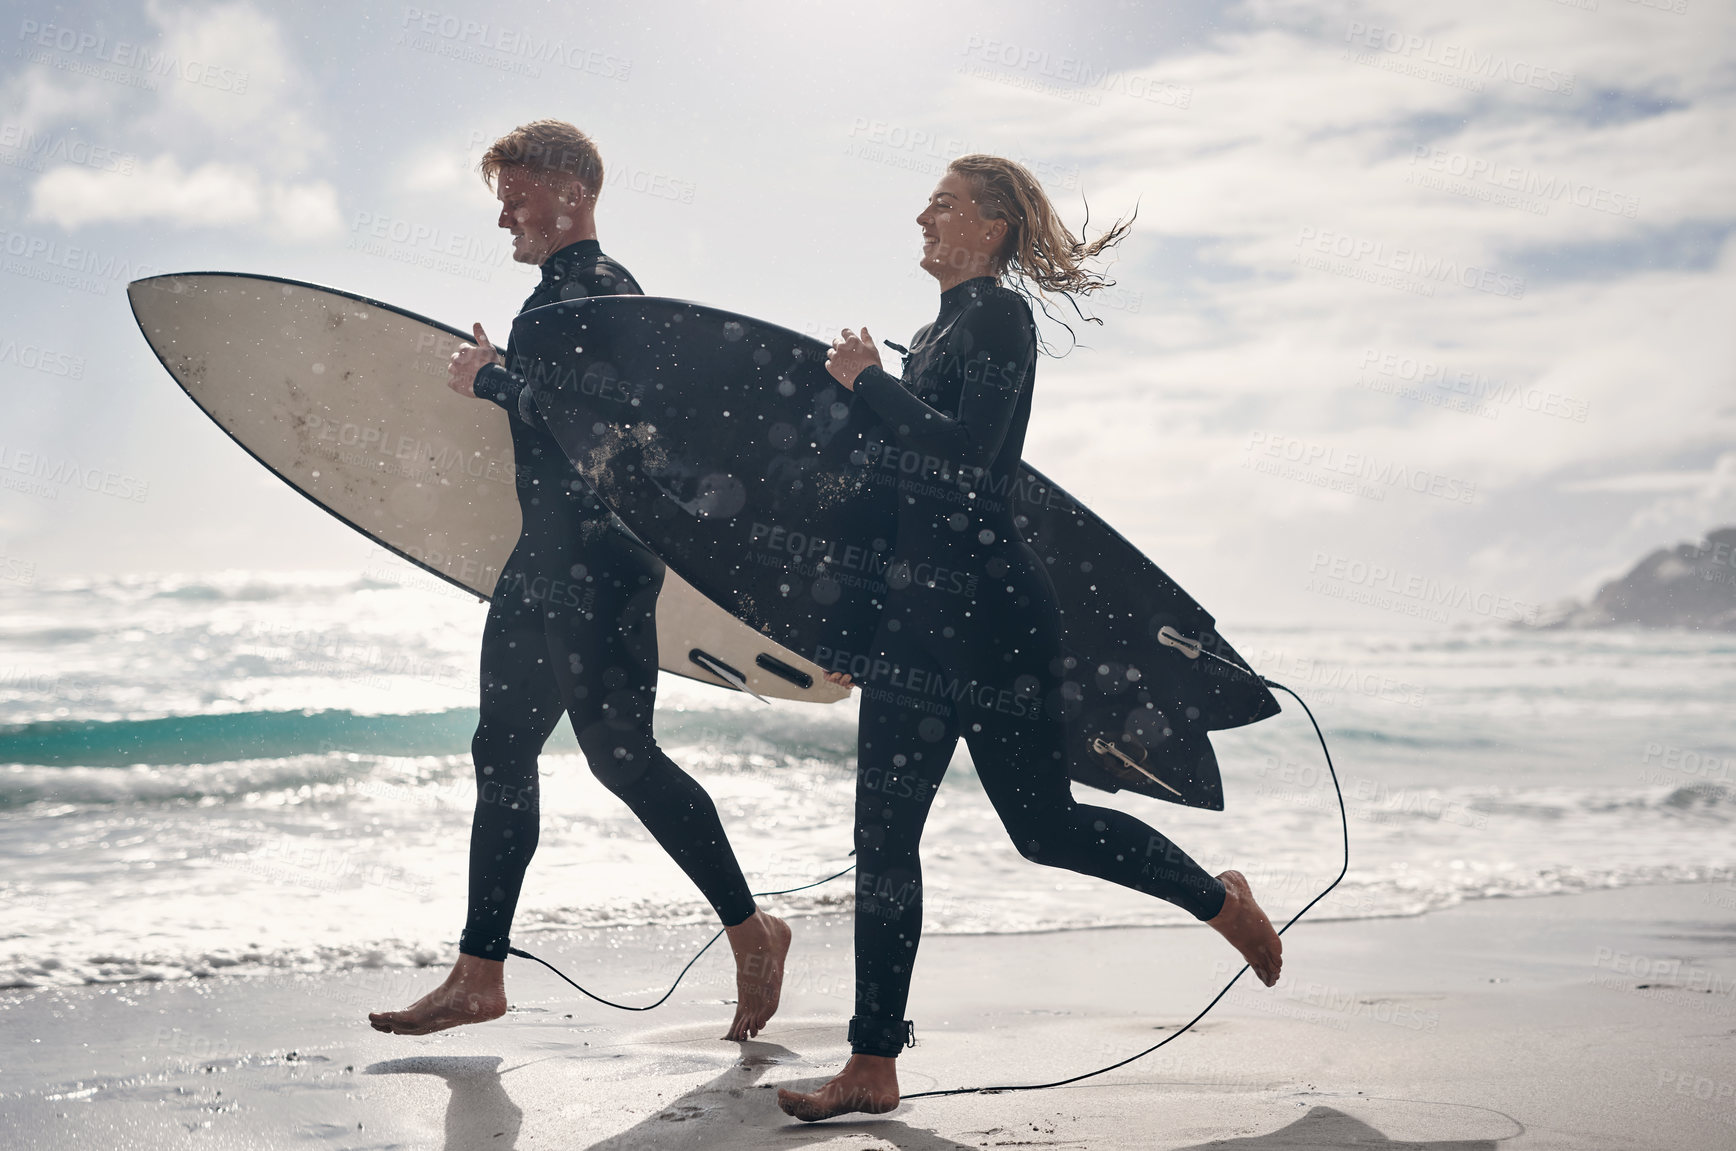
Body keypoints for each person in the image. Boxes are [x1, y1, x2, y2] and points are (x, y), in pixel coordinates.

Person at [776, 156, 1283, 1122]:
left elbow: (969, 463)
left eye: (945, 203)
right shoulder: (930, 334)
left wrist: (872, 384)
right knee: (882, 842)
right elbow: (894, 500)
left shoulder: (998, 320)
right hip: (910, 628)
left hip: (992, 619)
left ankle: (1215, 896)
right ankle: (872, 1063)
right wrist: (853, 622)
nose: (922, 214)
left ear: (994, 226)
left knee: (1042, 830)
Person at [368, 120, 789, 1043]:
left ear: (570, 190)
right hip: (542, 564)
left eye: (516, 198)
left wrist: (493, 381)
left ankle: (752, 929)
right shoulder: (559, 306)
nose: (506, 219)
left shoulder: (599, 294)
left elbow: (609, 437)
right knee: (502, 753)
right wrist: (515, 370)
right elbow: (574, 407)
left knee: (620, 756)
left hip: (597, 568)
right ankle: (479, 972)